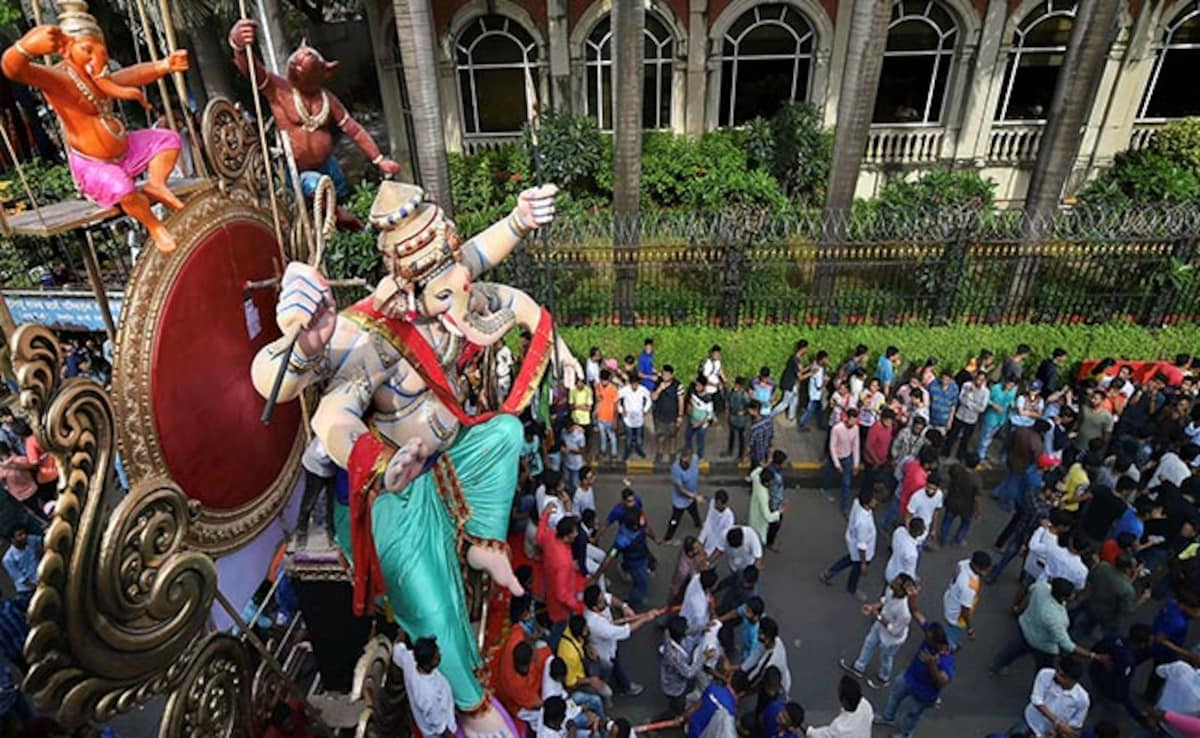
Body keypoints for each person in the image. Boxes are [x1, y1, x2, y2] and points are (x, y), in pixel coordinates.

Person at [990, 578, 1104, 674]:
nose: (1074, 595)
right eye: (1072, 594)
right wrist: (1093, 656)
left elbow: (1028, 597)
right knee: (1044, 671)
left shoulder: (1041, 587)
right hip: (1043, 646)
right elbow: (1068, 645)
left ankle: (996, 665)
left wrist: (1019, 610)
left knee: (1011, 650)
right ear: (1063, 597)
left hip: (1025, 628)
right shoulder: (1056, 618)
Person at [874, 616, 953, 738]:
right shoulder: (930, 634)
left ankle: (905, 734)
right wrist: (912, 601)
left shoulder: (945, 660)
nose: (925, 639)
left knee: (912, 714)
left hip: (924, 693)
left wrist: (931, 664)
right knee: (895, 695)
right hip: (909, 677)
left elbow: (941, 682)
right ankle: (888, 717)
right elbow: (918, 616)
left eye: (928, 639)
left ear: (937, 642)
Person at [841, 573, 917, 689]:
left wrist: (878, 616)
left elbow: (895, 631)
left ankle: (883, 678)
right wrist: (872, 607)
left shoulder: (904, 612)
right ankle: (859, 667)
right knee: (869, 643)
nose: (892, 582)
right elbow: (884, 600)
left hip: (891, 639)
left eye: (896, 583)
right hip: (880, 626)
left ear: (902, 591)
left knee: (886, 657)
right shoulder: (890, 590)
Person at [1087, 623, 1152, 727]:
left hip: (1094, 676)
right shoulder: (1128, 662)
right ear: (1142, 644)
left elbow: (1095, 649)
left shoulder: (1113, 638)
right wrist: (1138, 715)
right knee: (1108, 722)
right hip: (1109, 692)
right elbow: (1122, 692)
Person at [819, 487, 877, 600]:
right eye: (873, 500)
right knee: (856, 569)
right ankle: (852, 589)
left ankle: (829, 573)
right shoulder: (863, 522)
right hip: (861, 549)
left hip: (852, 541)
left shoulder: (857, 504)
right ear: (867, 503)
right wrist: (864, 563)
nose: (876, 502)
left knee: (849, 559)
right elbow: (862, 546)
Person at [1070, 552, 1141, 643]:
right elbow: (1127, 609)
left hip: (1092, 604)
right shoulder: (1128, 590)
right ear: (1128, 569)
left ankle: (1068, 644)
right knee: (1110, 635)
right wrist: (1142, 599)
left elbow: (1091, 578)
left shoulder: (1102, 566)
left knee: (1083, 628)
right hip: (1108, 616)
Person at [393, 637, 456, 738]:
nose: (440, 655)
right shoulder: (427, 694)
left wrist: (400, 636)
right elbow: (441, 727)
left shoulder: (410, 659)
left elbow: (397, 650)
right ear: (427, 665)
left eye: (438, 650)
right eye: (436, 657)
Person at [1015, 656, 1090, 738]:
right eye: (1057, 671)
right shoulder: (1045, 674)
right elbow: (1037, 700)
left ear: (1072, 680)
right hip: (1031, 720)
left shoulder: (1082, 698)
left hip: (1050, 733)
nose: (1056, 675)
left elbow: (1075, 723)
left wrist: (1058, 733)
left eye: (1062, 675)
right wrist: (1057, 722)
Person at [539, 506, 582, 641]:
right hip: (561, 608)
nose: (576, 534)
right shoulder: (563, 563)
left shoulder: (550, 535)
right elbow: (562, 595)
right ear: (567, 535)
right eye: (574, 532)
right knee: (559, 629)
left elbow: (539, 536)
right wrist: (576, 605)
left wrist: (545, 515)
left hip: (549, 586)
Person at [557, 615, 613, 711]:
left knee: (608, 666)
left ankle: (601, 682)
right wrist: (590, 680)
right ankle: (602, 701)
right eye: (585, 628)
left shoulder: (571, 630)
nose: (588, 628)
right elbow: (571, 683)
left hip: (582, 662)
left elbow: (583, 641)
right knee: (607, 692)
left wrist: (588, 647)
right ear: (579, 633)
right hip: (579, 681)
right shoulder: (569, 655)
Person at [661, 615, 712, 714]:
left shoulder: (669, 633)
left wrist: (703, 627)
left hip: (672, 678)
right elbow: (688, 673)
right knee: (677, 708)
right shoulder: (674, 655)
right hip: (674, 688)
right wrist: (704, 657)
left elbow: (686, 631)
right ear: (681, 636)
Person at [943, 550, 991, 651]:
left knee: (949, 628)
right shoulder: (969, 587)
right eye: (984, 570)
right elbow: (965, 610)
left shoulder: (963, 563)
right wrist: (970, 629)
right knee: (952, 633)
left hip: (950, 599)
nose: (986, 572)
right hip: (957, 616)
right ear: (977, 567)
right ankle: (949, 645)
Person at [609, 507, 655, 610]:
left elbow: (647, 530)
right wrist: (598, 573)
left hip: (641, 557)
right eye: (641, 518)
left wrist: (655, 539)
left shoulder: (639, 526)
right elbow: (612, 553)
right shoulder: (622, 539)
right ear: (634, 525)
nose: (644, 519)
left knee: (639, 581)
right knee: (642, 586)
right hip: (636, 564)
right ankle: (629, 602)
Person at [686, 670, 749, 738]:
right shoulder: (731, 712)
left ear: (729, 679)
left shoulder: (712, 688)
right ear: (742, 693)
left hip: (691, 728)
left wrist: (680, 719)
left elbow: (695, 707)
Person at [805, 676, 872, 738]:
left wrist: (809, 731)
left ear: (845, 701)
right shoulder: (866, 706)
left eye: (839, 690)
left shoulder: (840, 727)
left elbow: (825, 735)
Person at [946, 372, 989, 461]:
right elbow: (961, 399)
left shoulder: (986, 392)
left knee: (966, 439)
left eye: (981, 380)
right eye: (978, 379)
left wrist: (969, 403)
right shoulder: (967, 385)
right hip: (960, 415)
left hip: (972, 419)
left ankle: (960, 455)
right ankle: (946, 452)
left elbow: (981, 408)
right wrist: (970, 395)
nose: (978, 382)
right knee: (953, 435)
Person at [940, 456, 982, 546]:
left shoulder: (956, 470)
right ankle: (958, 539)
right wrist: (978, 511)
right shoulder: (976, 480)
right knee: (965, 524)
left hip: (952, 502)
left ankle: (943, 539)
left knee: (947, 521)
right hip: (967, 507)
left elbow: (950, 472)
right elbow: (977, 498)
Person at [977, 376, 1019, 465]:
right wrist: (994, 405)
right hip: (991, 416)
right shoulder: (996, 388)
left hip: (1001, 418)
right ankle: (980, 455)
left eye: (1012, 386)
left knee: (990, 437)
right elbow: (987, 399)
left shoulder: (1013, 391)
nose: (1009, 387)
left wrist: (1013, 405)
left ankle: (983, 453)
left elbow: (1011, 401)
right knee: (985, 436)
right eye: (1009, 384)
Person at [827, 409, 862, 516]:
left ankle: (845, 507)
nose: (852, 425)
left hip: (847, 458)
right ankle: (827, 489)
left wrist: (856, 464)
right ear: (846, 418)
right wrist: (837, 464)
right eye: (851, 421)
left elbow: (856, 446)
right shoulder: (837, 429)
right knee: (830, 476)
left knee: (847, 483)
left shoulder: (856, 429)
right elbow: (832, 446)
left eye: (855, 422)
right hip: (836, 457)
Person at [665, 448, 705, 541]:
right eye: (682, 461)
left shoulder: (695, 459)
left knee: (694, 511)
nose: (684, 464)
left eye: (687, 461)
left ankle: (698, 523)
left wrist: (694, 495)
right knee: (675, 520)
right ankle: (668, 538)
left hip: (691, 496)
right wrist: (695, 496)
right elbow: (680, 489)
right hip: (680, 500)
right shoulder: (676, 469)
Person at [745, 616, 791, 696]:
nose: (758, 635)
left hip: (776, 687)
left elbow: (757, 675)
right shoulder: (775, 641)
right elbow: (754, 658)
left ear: (768, 638)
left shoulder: (771, 662)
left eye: (760, 633)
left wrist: (744, 691)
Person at [653, 365, 685, 463]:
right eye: (663, 374)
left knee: (672, 436)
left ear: (672, 375)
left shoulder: (678, 385)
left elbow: (681, 401)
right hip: (659, 415)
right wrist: (659, 389)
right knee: (660, 436)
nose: (665, 376)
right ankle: (660, 453)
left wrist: (680, 416)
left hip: (673, 416)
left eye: (667, 374)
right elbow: (653, 397)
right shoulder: (658, 383)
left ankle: (672, 453)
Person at [2, 524, 41, 594]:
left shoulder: (30, 540)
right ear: (12, 539)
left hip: (40, 580)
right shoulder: (8, 558)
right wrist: (35, 586)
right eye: (20, 535)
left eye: (24, 533)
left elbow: (42, 540)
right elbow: (18, 577)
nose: (24, 536)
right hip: (27, 590)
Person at [618, 379, 652, 460]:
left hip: (639, 418)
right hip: (628, 418)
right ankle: (627, 452)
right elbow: (616, 399)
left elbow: (649, 400)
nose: (634, 387)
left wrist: (645, 410)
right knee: (628, 438)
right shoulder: (625, 390)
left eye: (636, 384)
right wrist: (621, 410)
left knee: (639, 438)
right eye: (633, 384)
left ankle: (639, 449)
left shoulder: (643, 389)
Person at [885, 517, 924, 585]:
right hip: (899, 580)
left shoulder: (899, 531)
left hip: (890, 569)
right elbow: (909, 573)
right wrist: (914, 580)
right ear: (918, 532)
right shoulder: (912, 553)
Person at [685, 376, 716, 460]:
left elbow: (709, 415)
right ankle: (689, 453)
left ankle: (699, 456)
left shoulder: (708, 399)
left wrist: (698, 424)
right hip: (692, 420)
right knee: (688, 437)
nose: (697, 387)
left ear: (704, 386)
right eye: (696, 385)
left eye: (699, 385)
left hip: (702, 425)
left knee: (700, 441)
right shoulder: (693, 393)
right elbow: (690, 403)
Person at [798, 352, 829, 432]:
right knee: (809, 412)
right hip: (815, 396)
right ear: (821, 360)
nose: (827, 361)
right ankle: (801, 425)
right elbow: (819, 387)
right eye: (826, 359)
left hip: (815, 395)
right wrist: (825, 382)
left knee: (820, 411)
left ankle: (821, 425)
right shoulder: (817, 370)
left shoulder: (816, 365)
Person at [700, 488, 735, 558]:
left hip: (717, 541)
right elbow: (709, 520)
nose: (715, 506)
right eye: (715, 503)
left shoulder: (729, 517)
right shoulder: (713, 504)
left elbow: (724, 536)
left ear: (724, 504)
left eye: (718, 504)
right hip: (709, 534)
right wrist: (701, 539)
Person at [779, 341, 810, 422]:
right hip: (790, 384)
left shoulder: (796, 358)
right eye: (806, 348)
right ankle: (771, 414)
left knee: (794, 401)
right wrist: (811, 373)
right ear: (803, 348)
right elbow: (800, 377)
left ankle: (791, 416)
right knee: (785, 403)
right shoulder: (795, 360)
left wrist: (809, 367)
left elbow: (801, 370)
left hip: (794, 384)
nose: (807, 350)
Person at [594, 370, 620, 463]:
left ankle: (614, 453)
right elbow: (598, 399)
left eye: (605, 380)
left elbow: (616, 406)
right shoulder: (598, 386)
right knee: (602, 435)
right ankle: (603, 450)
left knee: (612, 436)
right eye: (602, 380)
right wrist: (596, 412)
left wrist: (615, 419)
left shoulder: (613, 389)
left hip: (610, 417)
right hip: (600, 416)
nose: (603, 382)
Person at [569, 376, 593, 462]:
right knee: (577, 441)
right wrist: (582, 406)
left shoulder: (588, 391)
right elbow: (571, 406)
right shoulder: (573, 391)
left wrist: (577, 406)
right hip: (576, 420)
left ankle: (587, 457)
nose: (580, 384)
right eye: (578, 382)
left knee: (586, 440)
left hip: (586, 420)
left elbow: (589, 408)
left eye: (581, 382)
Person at [727, 377, 751, 460]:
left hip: (740, 419)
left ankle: (741, 455)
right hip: (732, 417)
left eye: (738, 385)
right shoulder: (731, 392)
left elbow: (749, 407)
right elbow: (728, 402)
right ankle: (730, 451)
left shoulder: (744, 395)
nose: (735, 386)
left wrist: (743, 412)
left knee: (741, 437)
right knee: (732, 435)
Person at [561, 420, 586, 494]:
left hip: (576, 464)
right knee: (566, 481)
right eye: (567, 429)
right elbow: (563, 442)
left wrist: (570, 450)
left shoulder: (580, 435)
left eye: (570, 428)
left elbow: (582, 450)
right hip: (566, 461)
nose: (568, 430)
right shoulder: (563, 432)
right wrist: (563, 448)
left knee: (575, 483)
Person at [747, 400, 774, 467]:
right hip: (766, 452)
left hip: (757, 455)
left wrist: (745, 456)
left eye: (749, 409)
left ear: (754, 410)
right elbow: (770, 437)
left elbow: (750, 445)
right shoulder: (768, 420)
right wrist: (770, 456)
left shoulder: (754, 427)